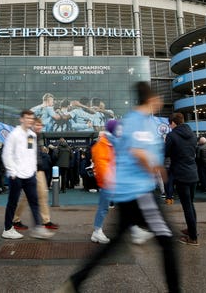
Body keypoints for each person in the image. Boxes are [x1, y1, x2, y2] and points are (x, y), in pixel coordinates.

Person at [59, 82, 180, 293]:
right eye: (158, 98)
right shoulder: (138, 122)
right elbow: (138, 152)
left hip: (126, 191)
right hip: (139, 191)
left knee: (115, 243)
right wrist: (157, 168)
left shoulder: (134, 120)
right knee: (168, 239)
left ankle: (76, 281)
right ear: (151, 99)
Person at [1, 110, 54, 240]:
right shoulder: (14, 134)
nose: (30, 120)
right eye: (27, 118)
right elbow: (6, 154)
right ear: (21, 119)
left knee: (34, 202)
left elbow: (31, 154)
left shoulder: (32, 135)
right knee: (12, 203)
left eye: (31, 118)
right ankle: (7, 229)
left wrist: (33, 171)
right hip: (16, 176)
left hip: (30, 175)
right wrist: (12, 171)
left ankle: (38, 228)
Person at [12, 118, 59, 231]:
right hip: (30, 170)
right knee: (25, 197)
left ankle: (46, 220)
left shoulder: (36, 136)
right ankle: (15, 219)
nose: (39, 127)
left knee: (43, 195)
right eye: (37, 125)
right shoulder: (30, 136)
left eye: (40, 125)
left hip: (38, 170)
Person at [166, 112, 200, 246]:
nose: (170, 126)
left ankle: (192, 238)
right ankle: (193, 230)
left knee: (187, 206)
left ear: (173, 122)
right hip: (193, 172)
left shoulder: (172, 135)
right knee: (191, 204)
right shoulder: (192, 135)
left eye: (170, 124)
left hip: (181, 173)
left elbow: (166, 153)